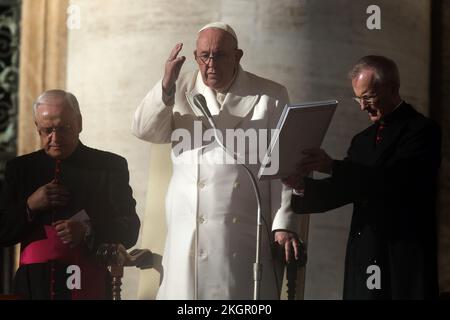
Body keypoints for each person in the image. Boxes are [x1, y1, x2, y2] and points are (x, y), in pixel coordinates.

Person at [132, 22, 301, 299]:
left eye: (219, 55)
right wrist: (165, 85)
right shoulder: (181, 87)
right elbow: (144, 130)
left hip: (240, 232)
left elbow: (283, 164)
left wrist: (283, 223)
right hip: (187, 229)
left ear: (237, 56)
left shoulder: (269, 95)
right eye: (203, 56)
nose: (210, 63)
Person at [284, 55, 441, 299]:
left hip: (401, 259)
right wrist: (301, 186)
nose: (362, 106)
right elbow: (343, 189)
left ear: (392, 88)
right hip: (365, 254)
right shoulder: (363, 139)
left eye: (368, 97)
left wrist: (333, 166)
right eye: (358, 98)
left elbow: (395, 182)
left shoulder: (422, 131)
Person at [0, 90, 141, 299]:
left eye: (64, 128)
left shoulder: (109, 166)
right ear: (37, 127)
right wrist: (29, 206)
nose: (55, 138)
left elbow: (130, 228)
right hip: (33, 286)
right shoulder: (20, 169)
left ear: (79, 123)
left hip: (88, 281)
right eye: (47, 130)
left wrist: (88, 229)